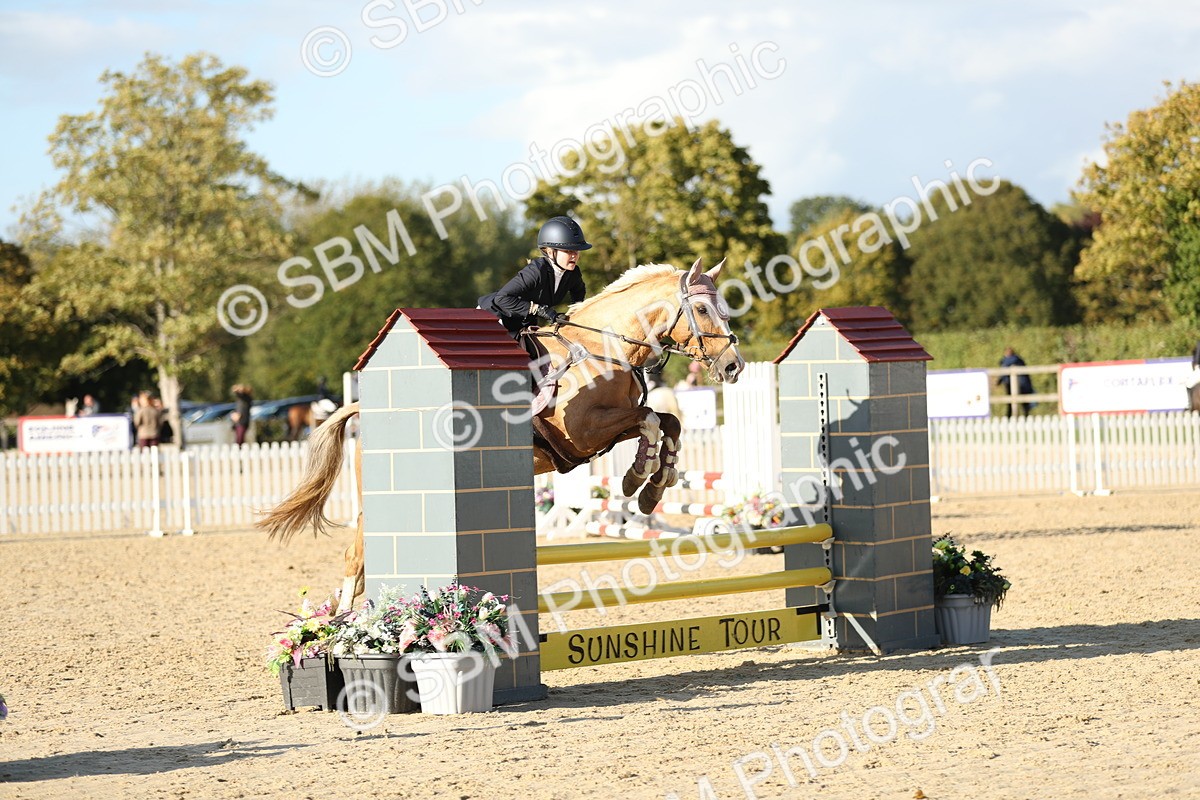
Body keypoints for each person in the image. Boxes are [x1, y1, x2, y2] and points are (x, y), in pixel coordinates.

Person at [477, 216, 590, 352]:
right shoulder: (536, 271)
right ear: (550, 251)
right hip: (494, 318)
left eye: (576, 251)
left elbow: (579, 293)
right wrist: (539, 309)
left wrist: (573, 314)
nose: (574, 255)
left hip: (522, 323)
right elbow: (502, 298)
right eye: (568, 251)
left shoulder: (573, 273)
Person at [997, 347, 1034, 417]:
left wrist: (999, 381)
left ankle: (1010, 416)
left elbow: (1004, 370)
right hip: (1021, 383)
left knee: (1012, 401)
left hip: (1016, 383)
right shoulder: (1018, 359)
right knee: (1022, 401)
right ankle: (1024, 416)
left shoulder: (1010, 360)